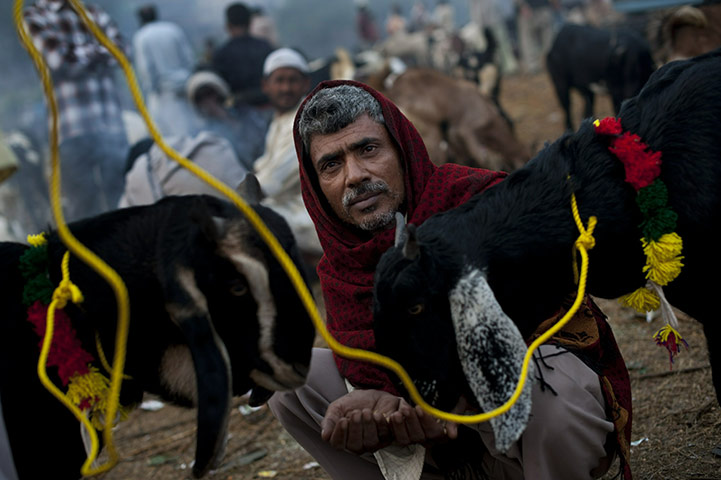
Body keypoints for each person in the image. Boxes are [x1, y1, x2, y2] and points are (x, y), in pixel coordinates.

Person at [268, 80, 632, 480]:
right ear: (315, 186)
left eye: (368, 149)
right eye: (331, 165)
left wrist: (448, 398)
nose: (354, 176)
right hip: (431, 443)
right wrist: (383, 400)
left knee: (550, 392)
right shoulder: (341, 266)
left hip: (518, 435)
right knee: (288, 384)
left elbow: (553, 324)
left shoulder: (481, 201)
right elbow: (373, 374)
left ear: (402, 149)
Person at [24, 0, 129, 222]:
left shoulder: (93, 11)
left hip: (111, 124)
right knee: (84, 211)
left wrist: (80, 54)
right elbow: (59, 61)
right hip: (72, 128)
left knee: (124, 202)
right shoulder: (35, 17)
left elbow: (123, 52)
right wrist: (101, 51)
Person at [253, 48, 322, 269]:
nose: (285, 88)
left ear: (305, 83)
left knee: (253, 219)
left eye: (293, 80)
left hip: (309, 218)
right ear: (266, 85)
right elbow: (262, 168)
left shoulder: (307, 120)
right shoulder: (280, 120)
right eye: (279, 80)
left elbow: (269, 184)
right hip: (288, 207)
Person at [132, 4, 199, 137]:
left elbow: (146, 69)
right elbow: (189, 59)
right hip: (186, 87)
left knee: (170, 136)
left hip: (164, 94)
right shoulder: (173, 29)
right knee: (192, 131)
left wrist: (152, 91)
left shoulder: (142, 36)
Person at [185, 70, 269, 171]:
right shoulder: (203, 135)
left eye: (209, 93)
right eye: (200, 97)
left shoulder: (246, 114)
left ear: (219, 93)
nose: (207, 100)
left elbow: (263, 139)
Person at [212, 2, 274, 109]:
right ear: (250, 22)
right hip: (269, 105)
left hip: (239, 110)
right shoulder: (265, 47)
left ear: (228, 26)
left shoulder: (221, 54)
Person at [516, 0, 558, 74]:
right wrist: (522, 5)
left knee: (549, 40)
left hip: (544, 8)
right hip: (528, 9)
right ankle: (533, 67)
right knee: (529, 41)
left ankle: (551, 63)